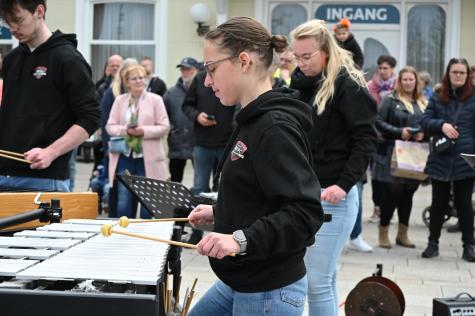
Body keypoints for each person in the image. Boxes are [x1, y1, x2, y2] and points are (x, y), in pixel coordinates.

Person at [187, 16, 324, 316]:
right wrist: (222, 211)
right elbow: (263, 195)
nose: (207, 81)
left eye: (211, 69)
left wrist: (239, 240)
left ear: (244, 61)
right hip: (242, 279)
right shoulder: (254, 118)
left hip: (268, 290)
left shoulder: (274, 127)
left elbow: (304, 215)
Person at [290, 19, 377, 315]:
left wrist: (344, 184)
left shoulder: (348, 85)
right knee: (323, 277)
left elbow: (366, 140)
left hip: (334, 196)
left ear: (325, 50)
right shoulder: (299, 82)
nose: (300, 63)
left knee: (317, 282)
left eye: (307, 56)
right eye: (296, 56)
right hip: (306, 192)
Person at [0, 0, 100, 192]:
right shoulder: (11, 60)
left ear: (39, 11)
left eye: (18, 20)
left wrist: (51, 152)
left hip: (45, 180)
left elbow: (91, 117)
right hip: (4, 177)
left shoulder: (69, 59)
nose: (13, 28)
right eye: (7, 22)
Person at [419, 58, 475, 262]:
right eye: (454, 72)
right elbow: (424, 120)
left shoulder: (473, 96)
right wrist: (441, 125)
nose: (458, 76)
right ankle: (432, 244)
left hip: (466, 159)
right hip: (441, 157)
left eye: (462, 72)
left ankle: (469, 246)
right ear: (448, 74)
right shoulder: (438, 95)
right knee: (438, 204)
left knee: (464, 205)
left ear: (467, 75)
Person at [182, 63, 237, 245]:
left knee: (224, 189)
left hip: (227, 144)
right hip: (202, 143)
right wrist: (197, 116)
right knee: (198, 188)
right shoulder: (199, 79)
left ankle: (221, 233)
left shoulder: (230, 77)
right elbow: (187, 106)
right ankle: (196, 233)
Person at [372, 66, 427, 249]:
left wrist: (423, 134)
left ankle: (402, 234)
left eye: (411, 79)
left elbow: (429, 124)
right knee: (392, 194)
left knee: (408, 194)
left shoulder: (423, 102)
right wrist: (399, 132)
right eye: (405, 79)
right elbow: (377, 122)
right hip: (392, 152)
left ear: (416, 81)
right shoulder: (390, 100)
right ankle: (383, 231)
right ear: (399, 81)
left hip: (415, 155)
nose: (408, 82)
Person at [106, 64, 170, 219]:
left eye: (141, 77)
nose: (139, 81)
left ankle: (145, 240)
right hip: (124, 158)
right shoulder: (120, 101)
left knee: (148, 206)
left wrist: (143, 131)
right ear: (127, 82)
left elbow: (165, 127)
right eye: (134, 78)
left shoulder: (156, 100)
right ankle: (125, 238)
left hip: (148, 159)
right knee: (123, 203)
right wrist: (125, 130)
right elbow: (110, 126)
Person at [368, 55, 398, 223]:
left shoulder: (399, 86)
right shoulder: (371, 86)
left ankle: (388, 210)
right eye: (380, 67)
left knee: (391, 178)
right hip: (375, 137)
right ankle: (377, 207)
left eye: (385, 68)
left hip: (393, 137)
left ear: (392, 69)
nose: (382, 71)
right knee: (376, 176)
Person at [163, 57, 200, 183]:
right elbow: (164, 116)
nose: (185, 72)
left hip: (199, 143)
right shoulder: (170, 93)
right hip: (177, 143)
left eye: (188, 69)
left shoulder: (204, 91)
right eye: (182, 69)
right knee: (175, 182)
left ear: (197, 70)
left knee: (200, 183)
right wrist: (172, 130)